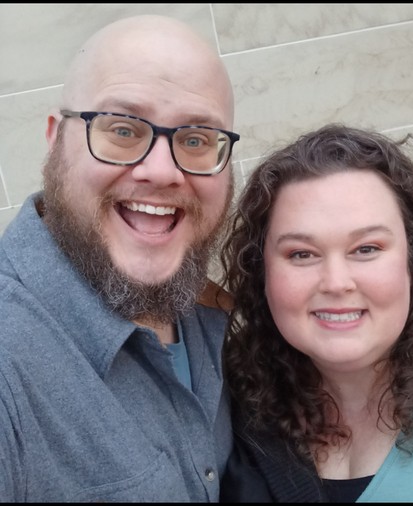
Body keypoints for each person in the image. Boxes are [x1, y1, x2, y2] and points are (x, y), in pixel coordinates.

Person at [0, 14, 239, 502]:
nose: (163, 171)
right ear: (55, 139)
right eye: (123, 130)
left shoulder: (213, 308)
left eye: (196, 140)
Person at [219, 123, 413, 502]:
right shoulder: (229, 405)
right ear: (262, 272)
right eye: (301, 254)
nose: (336, 283)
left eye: (366, 249)